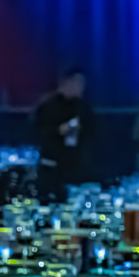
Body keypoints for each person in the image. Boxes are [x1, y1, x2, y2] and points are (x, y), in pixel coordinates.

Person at [33, 67, 93, 200]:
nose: (81, 88)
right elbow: (35, 132)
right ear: (67, 83)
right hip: (52, 164)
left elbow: (93, 133)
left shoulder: (83, 107)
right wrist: (58, 130)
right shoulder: (48, 106)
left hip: (76, 164)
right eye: (78, 83)